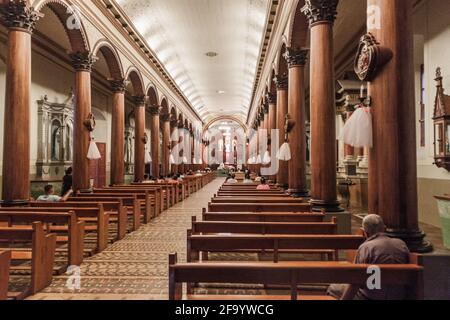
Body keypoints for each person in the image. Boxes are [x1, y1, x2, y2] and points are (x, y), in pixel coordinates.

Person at [327, 214, 410, 300]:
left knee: (333, 287)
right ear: (384, 229)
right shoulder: (401, 244)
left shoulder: (366, 247)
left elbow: (356, 280)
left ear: (364, 232)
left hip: (371, 297)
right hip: (397, 295)